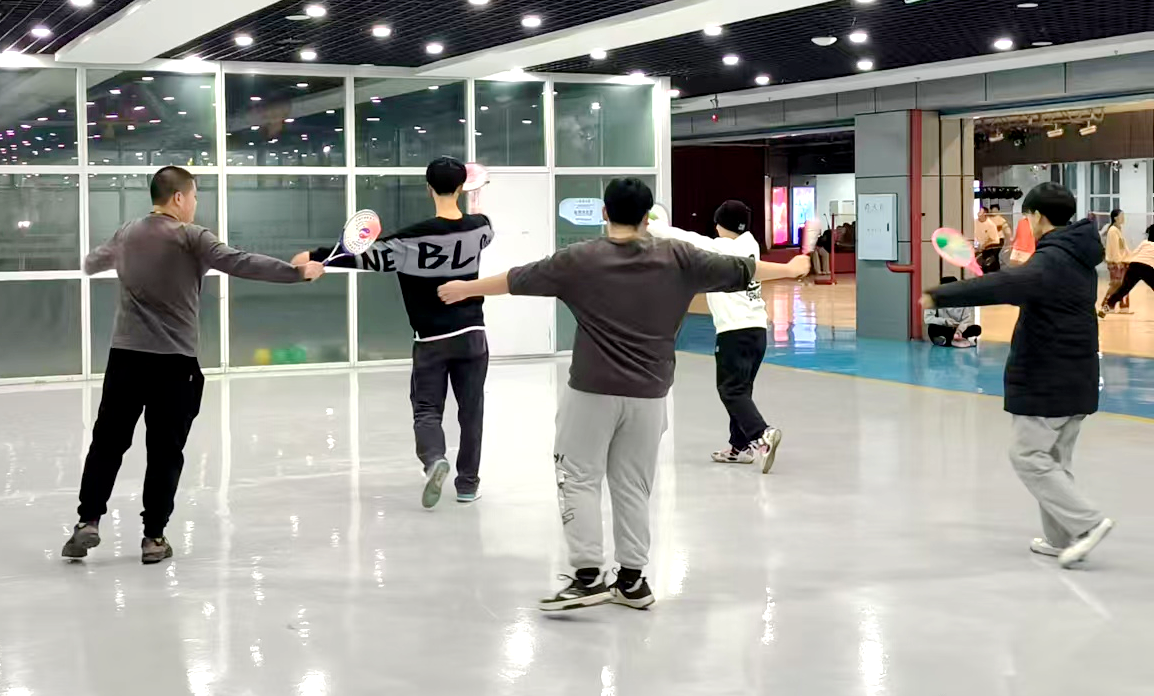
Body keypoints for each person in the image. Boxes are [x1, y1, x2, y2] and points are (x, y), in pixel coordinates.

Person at [438, 178, 810, 611]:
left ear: (604, 213)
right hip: (651, 395)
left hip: (591, 391)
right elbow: (743, 269)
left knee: (578, 477)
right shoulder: (679, 258)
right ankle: (632, 581)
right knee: (633, 484)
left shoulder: (580, 260)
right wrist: (791, 269)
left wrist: (464, 289)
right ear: (648, 215)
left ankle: (587, 577)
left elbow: (516, 279)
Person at [63, 166, 325, 564]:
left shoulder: (127, 233)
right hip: (174, 364)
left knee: (108, 443)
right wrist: (296, 273)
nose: (195, 204)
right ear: (179, 198)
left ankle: (87, 521)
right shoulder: (191, 236)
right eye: (195, 196)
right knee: (165, 452)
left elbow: (91, 262)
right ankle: (153, 538)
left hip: (126, 359)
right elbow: (240, 262)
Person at [923, 182, 1114, 569]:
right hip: (1077, 373)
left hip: (1048, 375)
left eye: (1027, 215)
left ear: (1038, 216)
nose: (1027, 221)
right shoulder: (1077, 256)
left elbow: (1005, 284)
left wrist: (940, 295)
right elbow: (1023, 284)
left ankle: (1087, 523)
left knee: (1028, 456)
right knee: (1054, 460)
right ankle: (1061, 538)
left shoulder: (1052, 261)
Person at [296, 157, 494, 508]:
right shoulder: (481, 229)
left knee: (427, 409)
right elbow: (483, 225)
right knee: (472, 412)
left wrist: (316, 256)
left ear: (428, 188)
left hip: (431, 340)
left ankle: (434, 459)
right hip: (473, 335)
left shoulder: (408, 241)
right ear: (461, 188)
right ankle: (467, 485)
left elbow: (361, 257)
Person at [648, 200, 782, 471]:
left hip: (734, 332)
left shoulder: (722, 250)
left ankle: (762, 435)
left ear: (720, 225)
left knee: (730, 391)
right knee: (742, 390)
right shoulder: (751, 245)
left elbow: (685, 238)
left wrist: (650, 225)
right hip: (757, 332)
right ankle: (740, 447)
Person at [1101, 223, 1154, 315]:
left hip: (1134, 266)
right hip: (1147, 268)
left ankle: (1106, 308)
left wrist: (1127, 262)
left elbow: (1134, 254)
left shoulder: (1144, 243)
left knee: (1124, 289)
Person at [923, 277, 981, 347]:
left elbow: (966, 320)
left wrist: (959, 331)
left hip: (959, 328)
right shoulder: (934, 299)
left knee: (977, 328)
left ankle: (950, 340)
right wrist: (945, 321)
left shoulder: (964, 299)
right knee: (932, 328)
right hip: (944, 328)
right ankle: (960, 340)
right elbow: (927, 319)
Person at [1100, 209, 1131, 314]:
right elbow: (1114, 247)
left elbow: (1123, 247)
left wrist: (1130, 257)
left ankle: (1123, 306)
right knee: (1116, 284)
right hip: (1116, 262)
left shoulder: (1118, 230)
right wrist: (1118, 261)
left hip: (1122, 261)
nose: (1123, 218)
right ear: (1115, 218)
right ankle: (1106, 305)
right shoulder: (1113, 230)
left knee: (1123, 284)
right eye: (1121, 216)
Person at [975, 206, 1003, 273]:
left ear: (985, 214)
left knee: (989, 265)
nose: (978, 213)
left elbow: (993, 239)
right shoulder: (974, 222)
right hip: (979, 247)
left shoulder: (991, 225)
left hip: (990, 247)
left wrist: (984, 245)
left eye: (980, 212)